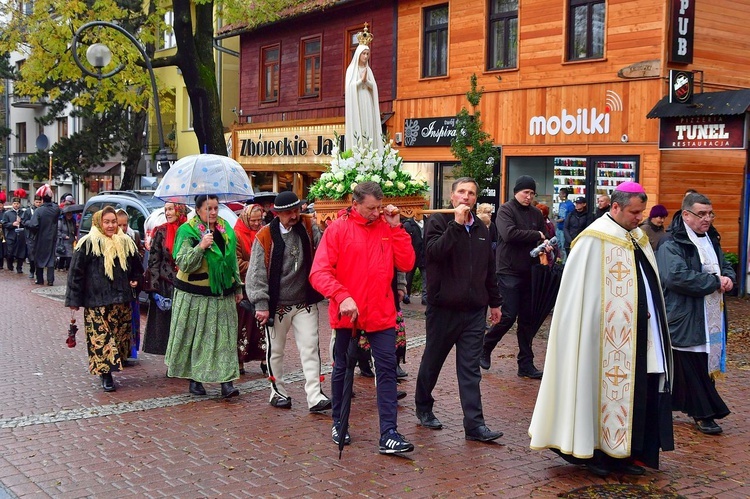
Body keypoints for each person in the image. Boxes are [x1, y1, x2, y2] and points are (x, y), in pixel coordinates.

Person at [529, 182, 674, 477]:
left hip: (639, 336)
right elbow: (578, 300)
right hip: (600, 341)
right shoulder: (592, 241)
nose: (639, 218)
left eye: (642, 212)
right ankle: (595, 453)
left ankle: (628, 454)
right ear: (616, 207)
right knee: (594, 389)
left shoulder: (638, 238)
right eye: (634, 212)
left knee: (639, 392)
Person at [310, 181, 415, 455]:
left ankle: (389, 432)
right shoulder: (337, 229)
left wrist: (396, 227)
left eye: (380, 207)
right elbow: (319, 272)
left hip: (381, 312)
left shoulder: (386, 226)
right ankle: (339, 422)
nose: (377, 212)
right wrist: (341, 296)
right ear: (355, 204)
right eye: (371, 208)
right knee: (343, 368)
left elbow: (406, 263)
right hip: (349, 313)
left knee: (387, 369)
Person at [414, 177, 503, 442]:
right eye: (461, 192)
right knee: (433, 360)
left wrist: (495, 302)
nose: (466, 197)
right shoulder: (437, 223)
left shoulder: (483, 230)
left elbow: (489, 269)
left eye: (471, 193)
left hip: (474, 311)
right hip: (444, 309)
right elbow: (433, 254)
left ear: (476, 199)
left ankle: (474, 425)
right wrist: (456, 224)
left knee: (470, 369)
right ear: (452, 197)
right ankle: (424, 406)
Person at [657, 193, 735, 435]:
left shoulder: (712, 239)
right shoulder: (672, 243)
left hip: (711, 316)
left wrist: (729, 279)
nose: (707, 219)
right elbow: (675, 277)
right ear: (687, 215)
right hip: (685, 315)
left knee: (702, 364)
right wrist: (713, 282)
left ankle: (681, 406)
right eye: (701, 214)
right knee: (692, 366)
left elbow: (725, 265)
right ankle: (706, 413)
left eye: (710, 213)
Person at [247, 192, 330, 412]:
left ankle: (315, 395)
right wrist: (261, 304)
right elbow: (256, 273)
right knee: (276, 350)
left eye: (297, 210)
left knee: (311, 347)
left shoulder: (309, 226)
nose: (294, 216)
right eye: (288, 212)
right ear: (277, 213)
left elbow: (324, 251)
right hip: (277, 304)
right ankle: (277, 390)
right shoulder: (265, 236)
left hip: (305, 301)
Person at [165, 194, 243, 399]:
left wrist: (237, 287)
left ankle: (227, 382)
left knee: (225, 339)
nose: (214, 212)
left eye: (216, 208)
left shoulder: (225, 228)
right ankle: (195, 379)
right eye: (209, 208)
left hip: (222, 292)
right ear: (198, 210)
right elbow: (183, 262)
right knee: (197, 338)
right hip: (195, 294)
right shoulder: (187, 231)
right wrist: (200, 246)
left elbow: (232, 260)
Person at [64, 207, 144, 392]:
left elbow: (136, 268)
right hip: (96, 302)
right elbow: (76, 274)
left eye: (113, 222)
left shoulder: (126, 242)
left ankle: (111, 368)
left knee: (118, 338)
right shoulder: (87, 243)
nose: (111, 225)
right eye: (107, 222)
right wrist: (74, 300)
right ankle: (105, 375)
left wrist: (136, 280)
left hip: (120, 299)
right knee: (102, 339)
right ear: (99, 223)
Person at [480, 175, 550, 379]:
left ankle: (525, 363)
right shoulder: (505, 210)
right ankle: (485, 346)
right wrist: (536, 235)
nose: (529, 196)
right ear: (516, 192)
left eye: (531, 193)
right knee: (508, 315)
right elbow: (509, 234)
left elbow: (544, 235)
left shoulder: (536, 213)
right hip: (508, 270)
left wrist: (544, 243)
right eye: (525, 192)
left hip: (530, 270)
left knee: (528, 319)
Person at [143, 202, 188, 356]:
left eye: (171, 209)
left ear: (179, 210)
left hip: (185, 284)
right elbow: (153, 261)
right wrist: (154, 289)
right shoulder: (160, 231)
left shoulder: (190, 231)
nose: (168, 213)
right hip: (166, 284)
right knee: (166, 325)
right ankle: (170, 359)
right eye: (166, 210)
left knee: (183, 324)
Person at [234, 204, 267, 375]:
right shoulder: (237, 234)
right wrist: (257, 266)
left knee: (261, 325)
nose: (256, 223)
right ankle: (240, 360)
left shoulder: (264, 233)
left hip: (261, 285)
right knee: (243, 324)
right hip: (244, 286)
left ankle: (264, 359)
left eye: (259, 220)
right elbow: (236, 261)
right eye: (253, 220)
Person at [344, 24, 382, 153]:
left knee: (368, 126)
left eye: (367, 53)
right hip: (357, 101)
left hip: (367, 100)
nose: (366, 56)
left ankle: (370, 152)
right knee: (359, 125)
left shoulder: (368, 70)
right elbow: (349, 89)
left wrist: (368, 83)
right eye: (363, 54)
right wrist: (361, 82)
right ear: (358, 55)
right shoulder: (351, 70)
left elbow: (374, 87)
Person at [28, 185, 61, 286]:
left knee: (39, 259)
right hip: (52, 238)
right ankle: (50, 280)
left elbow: (34, 225)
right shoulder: (55, 209)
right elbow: (57, 209)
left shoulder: (39, 211)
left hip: (40, 238)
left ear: (42, 199)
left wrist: (27, 223)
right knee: (51, 258)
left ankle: (40, 279)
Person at [402, 216, 426, 305]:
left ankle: (425, 298)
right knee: (408, 277)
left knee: (426, 277)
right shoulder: (408, 225)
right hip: (412, 255)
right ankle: (406, 296)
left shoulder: (427, 223)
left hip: (424, 255)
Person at [2, 197, 27, 273]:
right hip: (11, 235)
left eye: (17, 203)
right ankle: (10, 265)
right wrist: (12, 224)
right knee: (10, 252)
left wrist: (21, 222)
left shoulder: (23, 213)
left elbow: (26, 223)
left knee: (21, 252)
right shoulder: (7, 213)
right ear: (12, 204)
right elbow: (4, 224)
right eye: (15, 204)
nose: (16, 205)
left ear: (20, 204)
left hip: (21, 235)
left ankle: (19, 267)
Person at [21, 195, 42, 279]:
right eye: (37, 202)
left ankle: (38, 272)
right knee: (31, 254)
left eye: (40, 202)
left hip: (40, 235)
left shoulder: (42, 211)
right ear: (34, 202)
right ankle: (32, 270)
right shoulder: (28, 211)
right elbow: (23, 221)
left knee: (39, 254)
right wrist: (31, 223)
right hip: (30, 235)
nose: (38, 204)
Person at [554, 188, 574, 262]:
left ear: (564, 194)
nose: (559, 195)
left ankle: (565, 263)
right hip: (559, 228)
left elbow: (571, 217)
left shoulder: (570, 205)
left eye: (560, 194)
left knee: (563, 246)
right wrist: (557, 215)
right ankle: (560, 260)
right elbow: (561, 214)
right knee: (558, 245)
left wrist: (563, 220)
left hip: (564, 228)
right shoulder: (561, 204)